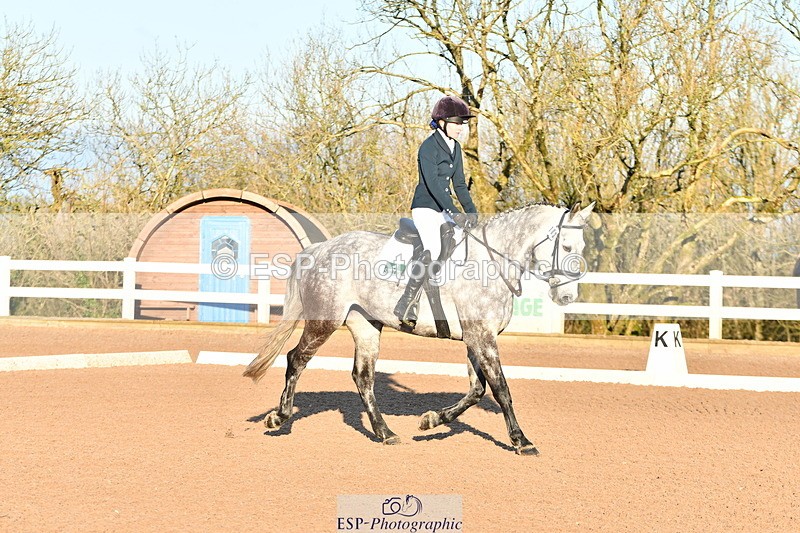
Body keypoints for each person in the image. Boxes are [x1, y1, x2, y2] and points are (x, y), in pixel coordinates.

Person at [393, 95, 479, 327]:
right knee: (433, 247)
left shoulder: (455, 147)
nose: (461, 128)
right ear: (442, 122)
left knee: (461, 243)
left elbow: (459, 184)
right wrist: (453, 211)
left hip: (443, 209)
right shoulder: (429, 147)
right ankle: (406, 301)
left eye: (463, 124)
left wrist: (471, 211)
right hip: (425, 207)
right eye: (457, 123)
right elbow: (432, 183)